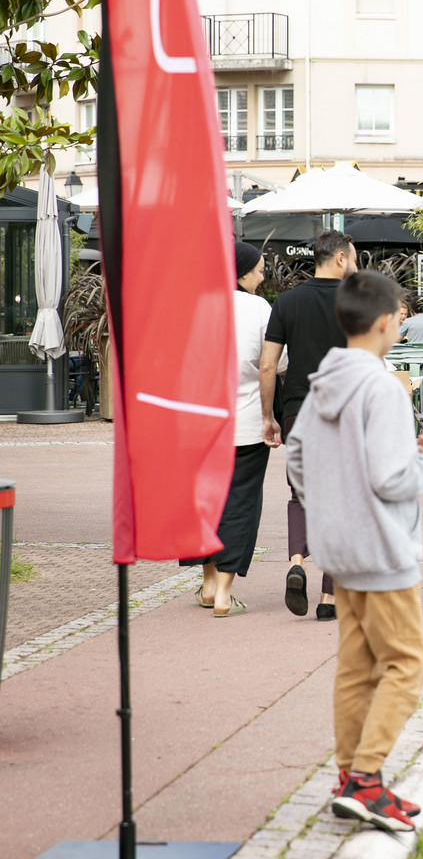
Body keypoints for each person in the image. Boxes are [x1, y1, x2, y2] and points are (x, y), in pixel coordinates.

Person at [285, 270, 423, 833]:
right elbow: (391, 477)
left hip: (339, 548)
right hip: (381, 548)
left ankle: (350, 774)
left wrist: (330, 508)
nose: (403, 323)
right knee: (406, 664)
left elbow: (297, 457)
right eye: (401, 316)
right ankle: (367, 781)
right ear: (385, 322)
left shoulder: (325, 378)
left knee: (356, 668)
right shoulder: (382, 386)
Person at [183, 242, 286, 616]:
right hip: (245, 422)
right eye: (259, 270)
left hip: (198, 424)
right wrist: (269, 416)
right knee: (241, 501)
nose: (262, 276)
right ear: (241, 273)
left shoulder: (195, 304)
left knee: (204, 500)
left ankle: (208, 583)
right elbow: (275, 364)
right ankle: (225, 593)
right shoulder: (258, 308)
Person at [260, 229, 358, 620]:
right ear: (338, 259)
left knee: (300, 496)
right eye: (353, 258)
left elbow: (268, 364)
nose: (355, 266)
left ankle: (296, 562)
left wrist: (269, 416)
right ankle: (328, 599)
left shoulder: (286, 302)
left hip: (299, 411)